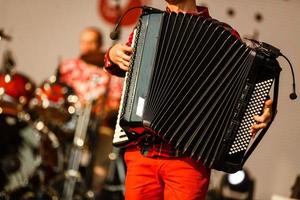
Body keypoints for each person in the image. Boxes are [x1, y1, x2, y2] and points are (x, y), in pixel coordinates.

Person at [104, 0, 273, 199]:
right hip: (143, 153)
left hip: (189, 160)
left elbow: (246, 89)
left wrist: (261, 109)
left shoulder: (224, 34)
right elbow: (120, 64)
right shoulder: (148, 23)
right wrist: (112, 55)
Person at [59, 27, 123, 192]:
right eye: (83, 42)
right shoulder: (68, 66)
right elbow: (58, 92)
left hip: (98, 124)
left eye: (91, 42)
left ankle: (94, 191)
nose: (86, 46)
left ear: (100, 45)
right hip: (69, 121)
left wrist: (104, 108)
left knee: (106, 142)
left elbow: (117, 100)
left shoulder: (111, 71)